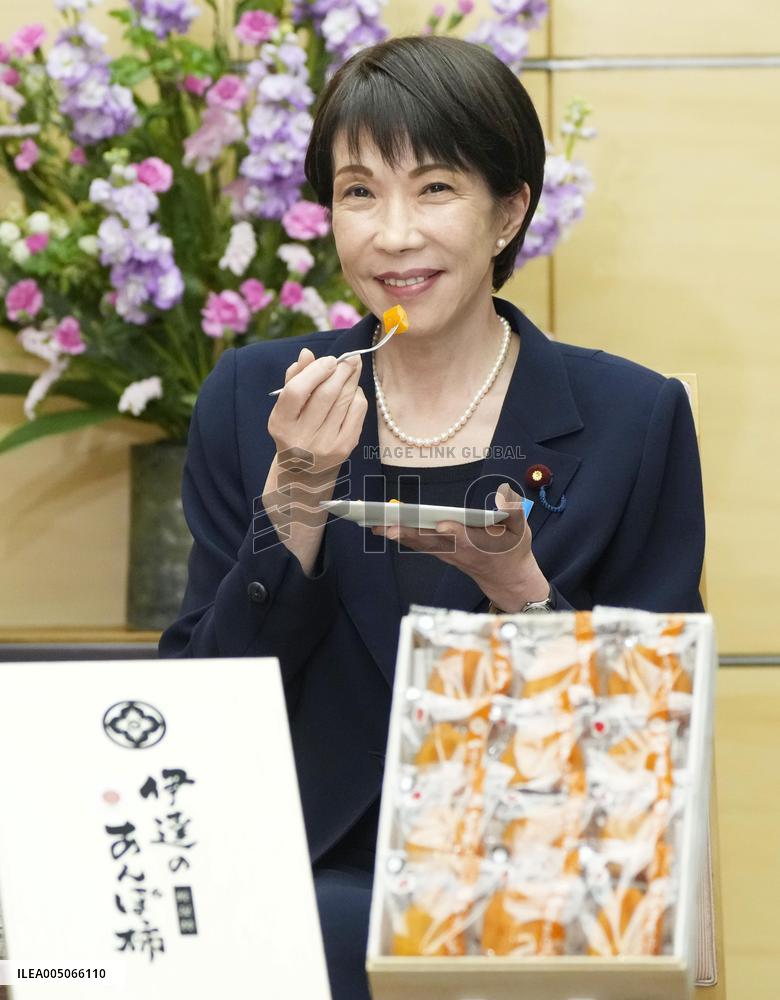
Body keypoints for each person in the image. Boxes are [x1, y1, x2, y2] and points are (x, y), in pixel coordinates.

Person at [159, 34, 705, 1000]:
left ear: (510, 211)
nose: (393, 235)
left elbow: (646, 743)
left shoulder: (632, 417)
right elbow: (202, 707)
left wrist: (520, 594)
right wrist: (294, 493)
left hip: (535, 879)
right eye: (359, 192)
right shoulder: (255, 397)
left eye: (437, 189)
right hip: (296, 868)